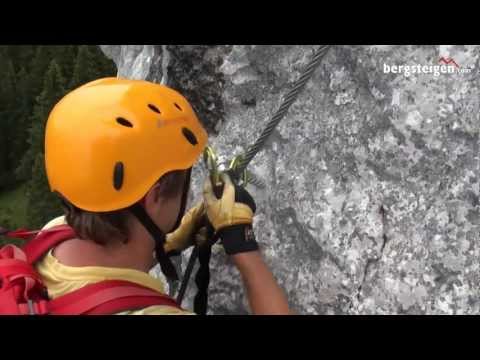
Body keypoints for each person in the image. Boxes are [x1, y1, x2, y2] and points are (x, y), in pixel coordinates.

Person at [37, 77, 290, 315]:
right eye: (184, 182)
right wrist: (243, 248)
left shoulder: (54, 235)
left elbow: (104, 275)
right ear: (155, 196)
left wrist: (169, 242)